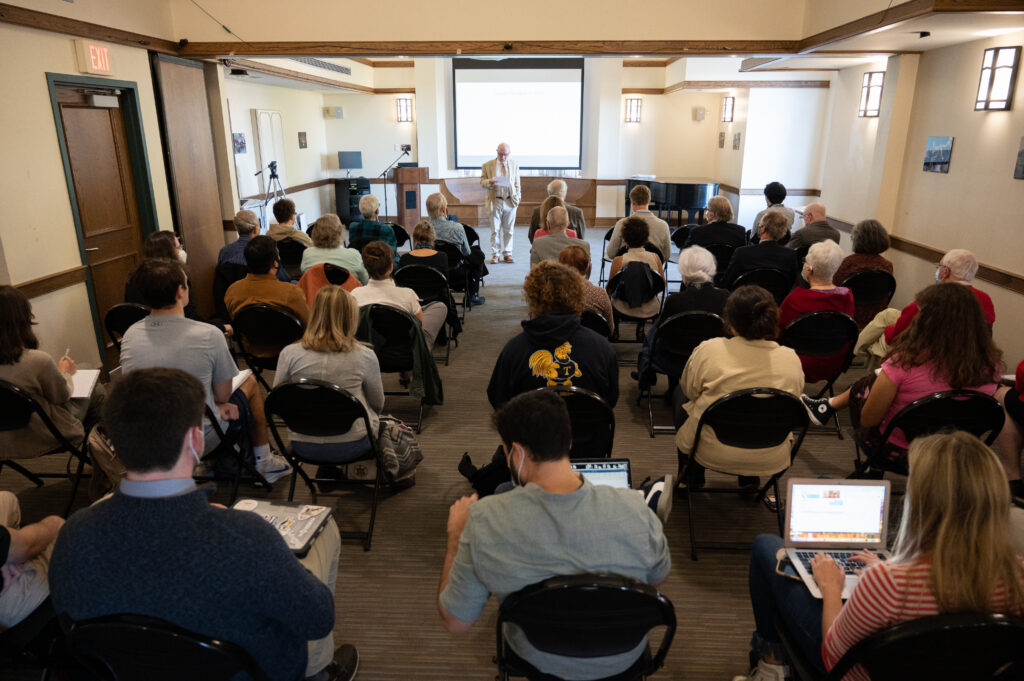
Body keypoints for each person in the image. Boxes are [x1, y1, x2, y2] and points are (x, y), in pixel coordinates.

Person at [49, 368, 358, 681]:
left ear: (114, 440)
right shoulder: (248, 537)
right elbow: (317, 620)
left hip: (121, 670)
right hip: (254, 671)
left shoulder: (74, 534)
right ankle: (318, 672)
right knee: (322, 534)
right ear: (195, 439)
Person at [735, 431, 1024, 681]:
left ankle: (771, 666)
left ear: (921, 503)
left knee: (766, 546)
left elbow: (832, 655)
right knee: (821, 487)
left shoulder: (887, 583)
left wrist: (832, 588)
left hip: (858, 672)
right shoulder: (1018, 576)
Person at [438, 390, 672, 680]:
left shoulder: (484, 519)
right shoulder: (637, 509)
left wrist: (455, 537)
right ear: (568, 442)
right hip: (623, 658)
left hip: (537, 658)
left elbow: (456, 622)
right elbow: (656, 579)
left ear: (518, 453)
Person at [802, 283, 1007, 473]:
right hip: (959, 454)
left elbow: (869, 419)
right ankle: (828, 406)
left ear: (926, 320)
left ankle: (828, 407)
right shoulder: (992, 366)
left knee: (867, 387)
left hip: (902, 455)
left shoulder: (904, 363)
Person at [119, 259, 291, 483]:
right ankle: (264, 461)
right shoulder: (208, 334)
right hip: (196, 435)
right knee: (248, 384)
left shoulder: (131, 334)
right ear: (181, 290)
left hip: (146, 435)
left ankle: (215, 461)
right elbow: (223, 396)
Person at [675, 286, 804, 488]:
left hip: (712, 449)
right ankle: (749, 479)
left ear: (730, 321)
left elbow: (690, 391)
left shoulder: (709, 350)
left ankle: (691, 477)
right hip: (771, 453)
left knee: (682, 397)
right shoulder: (791, 359)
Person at [275, 286, 383, 466]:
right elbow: (377, 403)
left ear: (315, 313)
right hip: (354, 444)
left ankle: (327, 468)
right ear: (351, 317)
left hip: (302, 444)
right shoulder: (364, 355)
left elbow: (278, 402)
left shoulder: (289, 354)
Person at [486, 261, 617, 408]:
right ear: (577, 297)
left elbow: (499, 401)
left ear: (531, 299)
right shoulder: (601, 349)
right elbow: (610, 400)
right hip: (586, 430)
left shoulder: (514, 351)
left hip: (532, 429)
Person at [0, 285, 104, 461]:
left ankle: (99, 453)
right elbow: (62, 396)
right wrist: (65, 373)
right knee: (98, 390)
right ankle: (102, 453)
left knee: (86, 368)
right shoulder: (37, 360)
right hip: (44, 435)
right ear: (23, 318)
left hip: (5, 442)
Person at [855, 248, 995, 367]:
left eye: (939, 267)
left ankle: (855, 356)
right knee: (888, 314)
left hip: (926, 353)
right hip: (966, 353)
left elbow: (899, 336)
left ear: (945, 272)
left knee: (877, 340)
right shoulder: (985, 299)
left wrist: (887, 332)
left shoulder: (933, 298)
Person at [634, 246, 729, 390]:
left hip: (675, 361)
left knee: (654, 332)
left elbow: (663, 335)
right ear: (711, 269)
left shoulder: (675, 300)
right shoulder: (725, 297)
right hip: (714, 360)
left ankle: (650, 375)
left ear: (684, 272)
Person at [778, 240, 855, 383]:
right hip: (834, 362)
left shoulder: (795, 298)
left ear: (809, 269)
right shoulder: (848, 297)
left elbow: (779, 331)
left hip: (795, 363)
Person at [223, 235, 311, 355]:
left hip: (253, 352)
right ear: (274, 262)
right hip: (289, 353)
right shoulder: (291, 292)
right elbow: (309, 325)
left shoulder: (232, 291)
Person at [352, 241, 448, 348]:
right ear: (391, 268)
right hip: (403, 353)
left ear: (366, 268)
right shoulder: (407, 294)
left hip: (369, 348)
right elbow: (419, 332)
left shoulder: (355, 295)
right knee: (440, 307)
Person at [0, 491, 63, 630]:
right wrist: (54, 523)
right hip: (5, 602)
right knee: (74, 530)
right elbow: (28, 546)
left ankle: (11, 557)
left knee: (6, 499)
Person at [424, 193, 486, 305]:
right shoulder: (457, 228)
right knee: (478, 254)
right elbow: (467, 252)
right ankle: (471, 296)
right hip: (456, 273)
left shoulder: (424, 228)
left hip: (433, 272)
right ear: (444, 210)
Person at [831, 219, 894, 328]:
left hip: (846, 316)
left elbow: (834, 289)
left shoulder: (847, 263)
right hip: (875, 317)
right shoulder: (887, 265)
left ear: (857, 239)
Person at [722, 210, 801, 289]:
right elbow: (791, 283)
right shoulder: (790, 255)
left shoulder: (742, 252)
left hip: (745, 297)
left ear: (762, 229)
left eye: (760, 225)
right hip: (776, 298)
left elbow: (727, 282)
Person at [608, 217, 665, 321]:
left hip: (622, 308)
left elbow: (610, 288)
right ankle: (641, 327)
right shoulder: (655, 258)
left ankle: (615, 330)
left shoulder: (618, 260)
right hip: (649, 308)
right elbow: (662, 284)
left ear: (624, 238)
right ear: (646, 237)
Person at [218, 209, 290, 282]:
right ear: (255, 229)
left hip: (233, 291)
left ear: (237, 229)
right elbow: (284, 279)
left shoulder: (223, 252)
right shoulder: (266, 250)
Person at [558, 244, 614, 336]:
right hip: (593, 343)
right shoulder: (600, 293)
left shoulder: (552, 294)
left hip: (560, 344)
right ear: (588, 266)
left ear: (560, 267)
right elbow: (610, 329)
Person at [606, 184, 671, 262]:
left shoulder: (622, 224)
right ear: (649, 201)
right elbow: (666, 256)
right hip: (653, 272)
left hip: (626, 271)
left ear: (633, 202)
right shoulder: (663, 225)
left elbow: (611, 254)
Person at [480, 142, 521, 264]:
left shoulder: (514, 165)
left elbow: (517, 184)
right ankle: (495, 254)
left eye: (505, 154)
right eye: (500, 154)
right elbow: (482, 182)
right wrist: (490, 182)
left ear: (509, 153)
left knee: (509, 230)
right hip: (495, 200)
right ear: (496, 151)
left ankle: (508, 254)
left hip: (510, 201)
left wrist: (517, 198)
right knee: (495, 230)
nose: (502, 157)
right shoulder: (487, 165)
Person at [301, 213, 369, 284]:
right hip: (348, 294)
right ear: (340, 232)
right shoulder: (354, 255)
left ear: (314, 233)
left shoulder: (307, 254)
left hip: (318, 294)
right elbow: (366, 281)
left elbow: (305, 277)